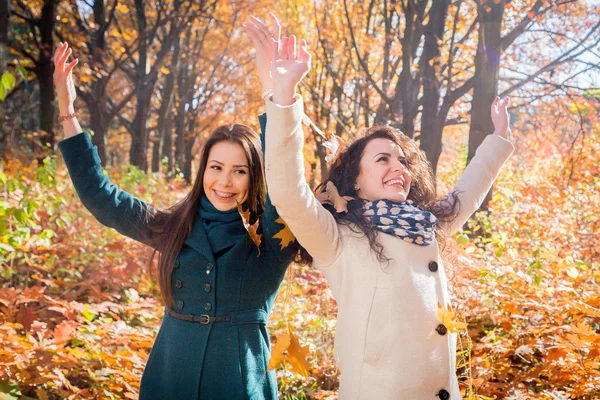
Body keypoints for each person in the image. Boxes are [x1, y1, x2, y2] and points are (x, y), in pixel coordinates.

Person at [259, 31, 515, 399]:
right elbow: (287, 190)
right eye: (383, 159)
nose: (399, 167)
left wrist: (498, 139)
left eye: (402, 160)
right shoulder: (337, 235)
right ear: (357, 180)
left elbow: (466, 195)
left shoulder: (426, 225)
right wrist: (283, 99)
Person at [53, 40, 298, 399]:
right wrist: (67, 108)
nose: (225, 181)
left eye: (239, 171)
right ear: (203, 172)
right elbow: (101, 197)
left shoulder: (273, 236)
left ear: (256, 176)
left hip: (240, 385)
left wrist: (275, 93)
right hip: (170, 378)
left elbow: (286, 177)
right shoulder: (174, 227)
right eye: (216, 168)